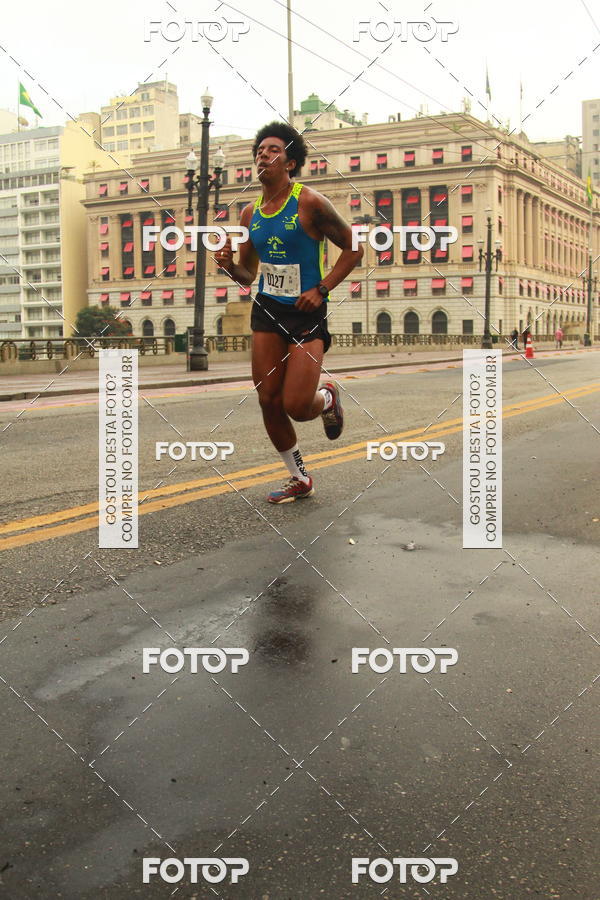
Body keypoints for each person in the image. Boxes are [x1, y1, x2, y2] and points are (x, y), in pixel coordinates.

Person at [215, 122, 363, 504]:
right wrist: (230, 266)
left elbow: (354, 247)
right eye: (260, 149)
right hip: (268, 308)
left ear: (290, 162)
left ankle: (326, 398)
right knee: (268, 399)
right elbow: (249, 274)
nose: (263, 154)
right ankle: (299, 477)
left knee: (296, 406)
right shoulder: (250, 214)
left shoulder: (310, 203)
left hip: (305, 312)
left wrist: (322, 288)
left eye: (273, 149)